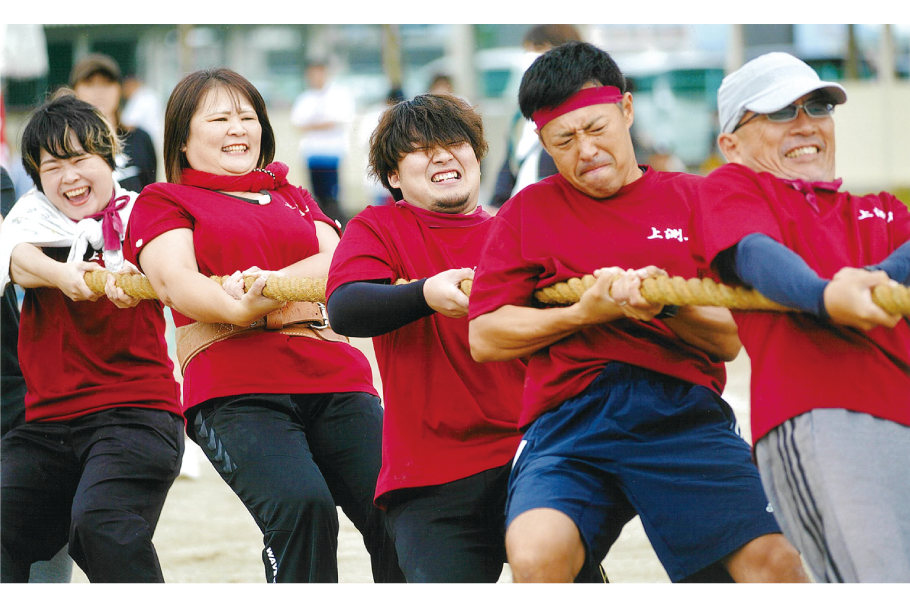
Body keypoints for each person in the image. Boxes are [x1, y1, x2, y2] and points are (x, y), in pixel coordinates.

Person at [467, 41, 809, 584]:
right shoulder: (527, 211)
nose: (586, 150)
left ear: (626, 110)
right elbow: (485, 335)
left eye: (597, 128)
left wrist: (667, 305)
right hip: (569, 419)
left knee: (776, 562)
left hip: (682, 412)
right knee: (535, 553)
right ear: (541, 141)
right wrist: (584, 313)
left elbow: (728, 342)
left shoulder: (695, 199)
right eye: (564, 139)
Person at [125, 68, 403, 584]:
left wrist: (263, 285)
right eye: (220, 118)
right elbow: (177, 281)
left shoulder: (292, 193)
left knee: (398, 508)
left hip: (334, 374)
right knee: (302, 505)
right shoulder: (163, 200)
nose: (238, 128)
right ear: (182, 137)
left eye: (248, 117)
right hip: (234, 386)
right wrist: (236, 308)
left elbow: (336, 263)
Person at [695, 51, 910, 584]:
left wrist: (871, 276)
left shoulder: (882, 208)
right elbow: (756, 256)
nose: (806, 123)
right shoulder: (733, 187)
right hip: (823, 411)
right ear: (731, 144)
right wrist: (826, 295)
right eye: (780, 112)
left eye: (817, 106)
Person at [326, 93, 542, 584]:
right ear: (394, 177)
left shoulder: (519, 228)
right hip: (428, 476)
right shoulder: (379, 227)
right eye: (421, 148)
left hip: (532, 457)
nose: (443, 155)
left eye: (455, 143)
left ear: (476, 154)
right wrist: (425, 293)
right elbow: (345, 308)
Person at [0, 91, 184, 584]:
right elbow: (14, 255)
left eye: (81, 159)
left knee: (102, 525)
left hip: (136, 415)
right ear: (38, 178)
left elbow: (178, 268)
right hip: (46, 426)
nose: (70, 177)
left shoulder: (146, 213)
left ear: (109, 159)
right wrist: (65, 276)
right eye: (53, 166)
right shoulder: (32, 219)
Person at [490, 24, 582, 208]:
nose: (530, 58)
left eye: (539, 49)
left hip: (556, 215)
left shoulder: (581, 111)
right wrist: (496, 209)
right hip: (520, 217)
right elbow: (508, 171)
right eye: (527, 51)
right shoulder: (521, 116)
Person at [70, 53, 158, 192]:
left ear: (119, 89)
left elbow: (151, 193)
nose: (99, 92)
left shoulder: (140, 139)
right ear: (75, 90)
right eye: (90, 84)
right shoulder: (67, 144)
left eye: (107, 83)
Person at [290, 59, 356, 228]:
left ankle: (340, 228)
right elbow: (298, 124)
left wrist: (313, 125)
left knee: (332, 196)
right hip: (312, 155)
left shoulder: (338, 96)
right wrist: (320, 124)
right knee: (316, 197)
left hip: (331, 155)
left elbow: (339, 120)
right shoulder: (305, 98)